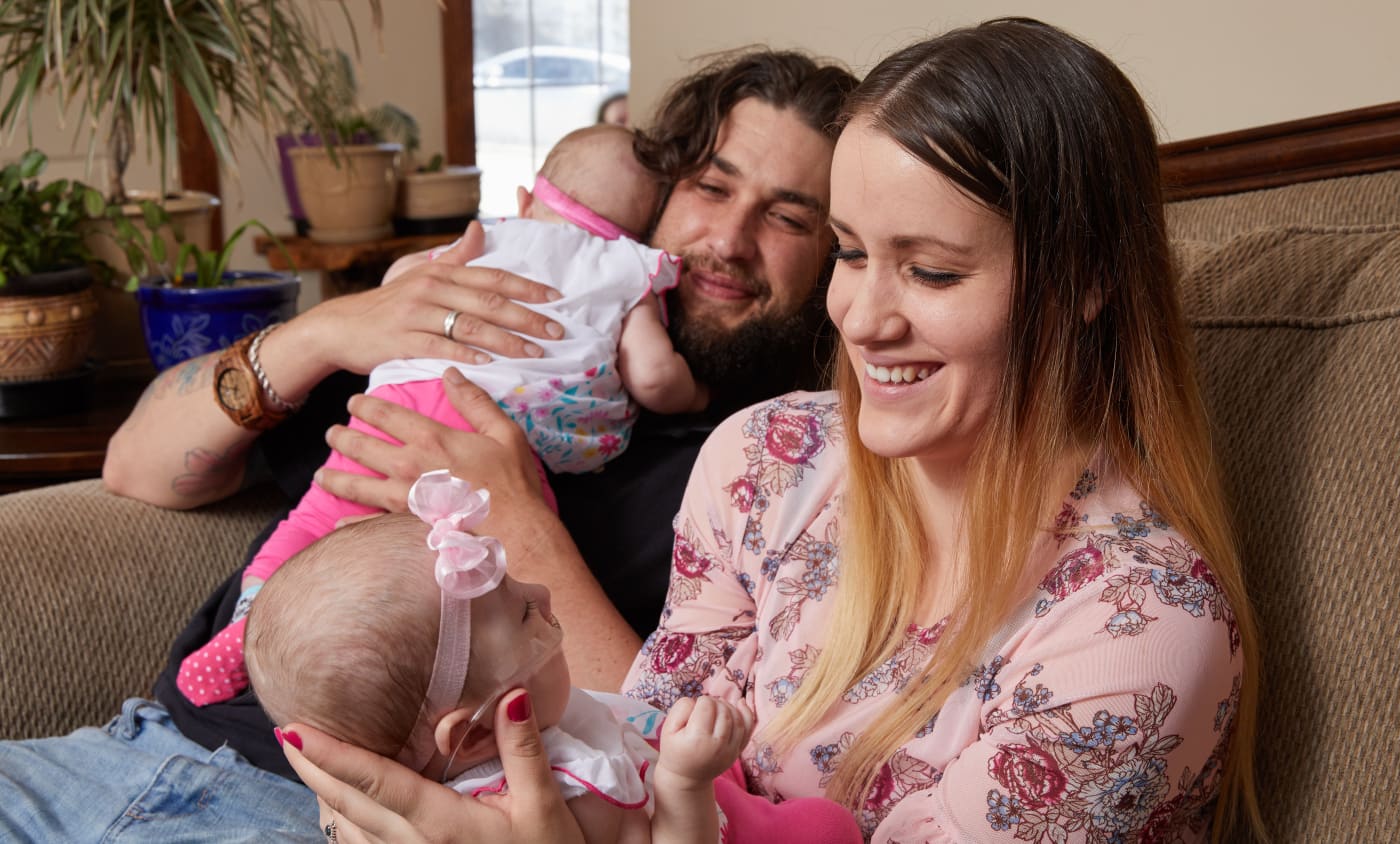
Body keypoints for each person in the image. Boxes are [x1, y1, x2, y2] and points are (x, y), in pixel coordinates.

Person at [285, 17, 1266, 843]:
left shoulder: (1138, 629)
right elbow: (642, 745)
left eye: (931, 271)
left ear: (1085, 282)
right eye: (849, 252)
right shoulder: (767, 459)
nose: (864, 317)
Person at [0, 49, 857, 842]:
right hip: (129, 747)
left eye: (788, 215)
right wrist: (324, 333)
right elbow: (137, 467)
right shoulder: (489, 309)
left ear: (834, 256)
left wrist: (516, 515)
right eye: (712, 186)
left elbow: (682, 746)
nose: (729, 240)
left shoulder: (779, 463)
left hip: (339, 815)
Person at [178, 123, 707, 708]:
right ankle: (338, 662)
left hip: (402, 400)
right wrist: (696, 397)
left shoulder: (484, 239)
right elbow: (655, 376)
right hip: (498, 442)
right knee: (468, 573)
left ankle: (250, 625)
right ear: (645, 230)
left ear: (527, 199)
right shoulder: (630, 270)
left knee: (313, 522)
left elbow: (401, 280)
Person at [246, 471, 756, 844]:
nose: (544, 592)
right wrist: (684, 782)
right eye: (525, 613)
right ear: (483, 732)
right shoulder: (574, 801)